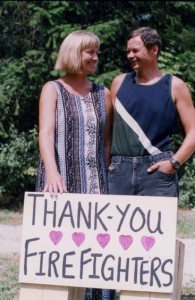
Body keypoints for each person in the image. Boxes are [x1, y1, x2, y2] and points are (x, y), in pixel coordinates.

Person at [35, 30, 114, 300]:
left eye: (97, 52)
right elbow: (45, 133)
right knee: (60, 243)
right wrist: (53, 173)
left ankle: (96, 295)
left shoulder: (103, 93)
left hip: (96, 182)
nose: (96, 57)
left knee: (94, 243)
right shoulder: (52, 89)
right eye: (90, 52)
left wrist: (106, 179)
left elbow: (106, 142)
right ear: (73, 53)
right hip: (60, 180)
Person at [108, 26, 195, 198]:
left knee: (161, 226)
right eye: (128, 51)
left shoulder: (175, 86)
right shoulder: (118, 83)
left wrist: (174, 163)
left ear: (154, 49)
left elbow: (193, 130)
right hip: (119, 172)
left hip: (158, 172)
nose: (130, 55)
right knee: (115, 226)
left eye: (135, 50)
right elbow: (108, 131)